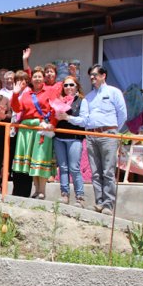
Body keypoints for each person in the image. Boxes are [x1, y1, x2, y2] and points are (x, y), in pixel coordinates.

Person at [57, 64, 127, 214]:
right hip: (91, 135)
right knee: (96, 171)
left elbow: (122, 115)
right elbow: (85, 120)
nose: (92, 78)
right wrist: (69, 118)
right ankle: (99, 202)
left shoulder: (114, 92)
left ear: (103, 76)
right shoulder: (88, 97)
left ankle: (108, 204)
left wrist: (112, 130)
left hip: (108, 135)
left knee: (108, 171)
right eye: (91, 76)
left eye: (95, 75)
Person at [11, 66, 63, 199]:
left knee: (41, 158)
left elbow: (55, 109)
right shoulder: (27, 93)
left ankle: (42, 191)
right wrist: (15, 94)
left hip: (42, 128)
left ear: (44, 78)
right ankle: (36, 191)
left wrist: (51, 124)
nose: (37, 79)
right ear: (31, 79)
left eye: (40, 76)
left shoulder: (50, 91)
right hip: (27, 129)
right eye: (35, 77)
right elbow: (17, 108)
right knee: (31, 160)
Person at [53, 76, 86, 207]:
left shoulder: (82, 101)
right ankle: (64, 194)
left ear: (77, 86)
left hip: (74, 138)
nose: (68, 88)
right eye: (65, 85)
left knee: (74, 167)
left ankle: (80, 197)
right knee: (63, 168)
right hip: (59, 137)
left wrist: (68, 117)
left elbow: (84, 120)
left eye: (71, 85)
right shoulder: (59, 100)